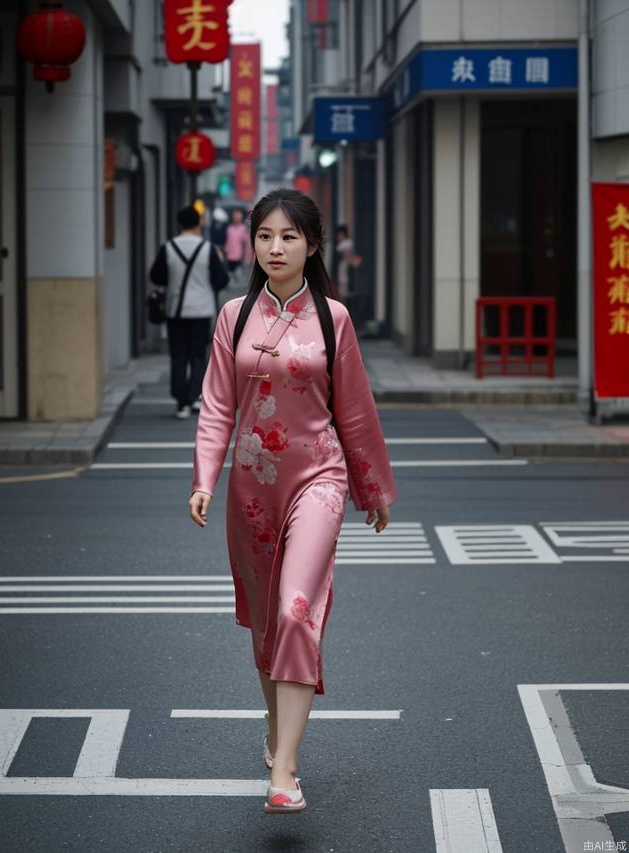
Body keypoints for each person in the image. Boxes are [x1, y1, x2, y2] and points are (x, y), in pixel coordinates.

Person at [188, 188, 397, 814]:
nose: (275, 248)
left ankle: (285, 770)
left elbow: (354, 411)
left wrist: (372, 488)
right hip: (252, 489)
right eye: (264, 236)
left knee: (296, 607)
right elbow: (218, 405)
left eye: (289, 237)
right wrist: (204, 477)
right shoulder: (233, 315)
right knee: (264, 621)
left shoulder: (333, 318)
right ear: (251, 244)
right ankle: (278, 731)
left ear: (312, 245)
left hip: (319, 479)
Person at [149, 205, 229, 418]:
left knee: (178, 356)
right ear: (198, 224)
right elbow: (221, 279)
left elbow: (156, 276)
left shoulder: (168, 247)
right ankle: (194, 397)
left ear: (179, 224)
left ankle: (180, 402)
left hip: (175, 310)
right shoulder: (207, 248)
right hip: (201, 309)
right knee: (198, 356)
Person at [223, 207, 251, 282]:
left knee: (239, 279)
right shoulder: (229, 228)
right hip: (228, 257)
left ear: (241, 217)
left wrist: (246, 259)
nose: (236, 217)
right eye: (235, 215)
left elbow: (247, 245)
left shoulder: (244, 229)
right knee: (230, 278)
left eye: (238, 215)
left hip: (239, 258)